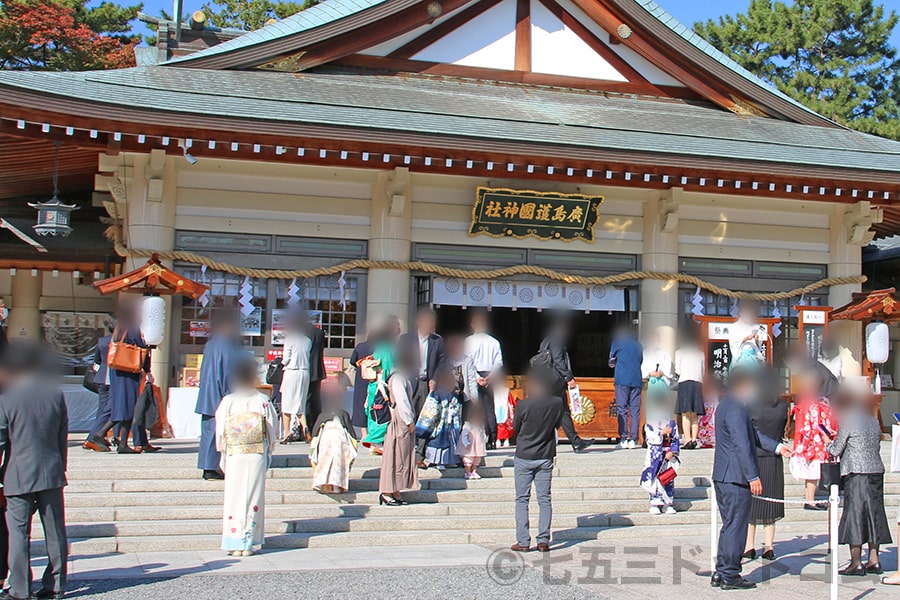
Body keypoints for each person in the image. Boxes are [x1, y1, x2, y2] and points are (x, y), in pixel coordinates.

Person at [711, 367, 791, 590]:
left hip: (725, 474)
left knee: (730, 525)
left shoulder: (728, 404)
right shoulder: (735, 407)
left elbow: (753, 435)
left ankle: (722, 570)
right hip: (735, 476)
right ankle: (730, 575)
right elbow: (742, 444)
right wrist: (753, 476)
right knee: (736, 526)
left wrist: (777, 447)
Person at [0, 343, 68, 600]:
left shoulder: (7, 398)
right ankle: (56, 585)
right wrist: (60, 467)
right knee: (55, 531)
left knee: (18, 533)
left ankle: (20, 588)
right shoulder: (56, 394)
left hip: (18, 473)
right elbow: (62, 438)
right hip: (51, 471)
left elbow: (1, 442)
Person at [824, 390, 892, 576]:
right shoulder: (872, 420)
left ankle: (856, 562)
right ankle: (874, 559)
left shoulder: (847, 420)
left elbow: (836, 450)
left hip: (856, 472)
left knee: (855, 514)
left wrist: (827, 443)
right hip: (875, 470)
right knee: (874, 514)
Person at [215, 358, 278, 557]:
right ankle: (248, 541)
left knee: (234, 497)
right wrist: (269, 448)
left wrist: (222, 449)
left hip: (235, 452)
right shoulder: (262, 400)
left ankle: (234, 541)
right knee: (252, 495)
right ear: (254, 376)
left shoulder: (228, 401)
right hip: (256, 451)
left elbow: (220, 431)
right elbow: (272, 428)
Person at [510, 372, 565, 553]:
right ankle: (543, 540)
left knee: (522, 499)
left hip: (525, 454)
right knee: (544, 499)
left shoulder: (523, 405)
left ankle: (523, 541)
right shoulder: (556, 403)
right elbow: (557, 425)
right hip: (545, 454)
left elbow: (516, 428)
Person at [100, 304, 152, 455]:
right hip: (128, 370)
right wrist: (147, 370)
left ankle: (109, 437)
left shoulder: (119, 328)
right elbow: (141, 348)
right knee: (128, 406)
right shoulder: (132, 328)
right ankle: (109, 437)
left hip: (118, 370)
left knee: (122, 406)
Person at [743, 391, 789, 561]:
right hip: (775, 455)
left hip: (755, 456)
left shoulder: (751, 406)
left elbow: (748, 431)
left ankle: (749, 545)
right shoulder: (783, 406)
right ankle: (769, 546)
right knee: (771, 500)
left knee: (753, 502)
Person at [538, 315, 593, 453]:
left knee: (561, 412)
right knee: (557, 411)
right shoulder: (556, 339)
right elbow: (558, 360)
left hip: (549, 380)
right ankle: (541, 440)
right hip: (555, 380)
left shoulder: (548, 339)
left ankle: (575, 441)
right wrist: (568, 377)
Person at [195, 311, 239, 480]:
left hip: (208, 392)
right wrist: (230, 394)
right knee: (216, 431)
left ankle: (207, 465)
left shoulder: (211, 344)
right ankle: (212, 466)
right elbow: (227, 374)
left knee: (208, 431)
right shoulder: (226, 346)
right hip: (219, 395)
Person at [400, 308, 446, 463]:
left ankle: (419, 455)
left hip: (427, 383)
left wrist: (435, 378)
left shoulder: (437, 341)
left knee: (425, 418)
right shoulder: (406, 339)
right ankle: (406, 451)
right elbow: (399, 360)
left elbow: (442, 362)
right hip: (409, 382)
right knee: (408, 416)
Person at [788, 366, 836, 511]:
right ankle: (810, 500)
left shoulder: (811, 400)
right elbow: (808, 423)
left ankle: (811, 499)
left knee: (813, 473)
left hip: (814, 439)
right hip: (811, 440)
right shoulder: (808, 401)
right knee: (812, 473)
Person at [378, 342, 418, 506]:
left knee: (400, 456)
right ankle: (387, 491)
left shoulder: (396, 376)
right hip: (399, 420)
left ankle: (395, 490)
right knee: (395, 456)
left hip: (399, 418)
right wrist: (409, 421)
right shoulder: (398, 378)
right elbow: (402, 401)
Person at [361, 315, 401, 452]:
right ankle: (376, 441)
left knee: (375, 412)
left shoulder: (380, 348)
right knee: (381, 413)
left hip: (375, 385)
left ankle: (375, 442)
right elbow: (388, 370)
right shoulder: (386, 349)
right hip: (381, 385)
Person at [310, 382, 358, 494]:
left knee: (324, 462)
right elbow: (351, 432)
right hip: (340, 439)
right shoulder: (343, 414)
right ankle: (337, 486)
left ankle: (323, 484)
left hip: (325, 439)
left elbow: (315, 431)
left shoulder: (322, 415)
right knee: (338, 464)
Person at [465, 310, 503, 449]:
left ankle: (475, 438)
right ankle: (492, 439)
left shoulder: (468, 341)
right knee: (489, 408)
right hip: (488, 375)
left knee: (474, 407)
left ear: (473, 325)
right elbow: (498, 361)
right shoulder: (494, 342)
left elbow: (467, 361)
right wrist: (490, 377)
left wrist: (476, 378)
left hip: (475, 374)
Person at [640, 390, 680, 515]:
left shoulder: (671, 423)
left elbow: (676, 438)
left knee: (667, 478)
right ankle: (655, 503)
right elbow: (650, 438)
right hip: (655, 453)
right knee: (655, 479)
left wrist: (672, 452)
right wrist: (661, 433)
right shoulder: (650, 422)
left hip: (668, 454)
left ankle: (668, 503)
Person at [279, 311, 312, 444]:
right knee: (300, 403)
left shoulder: (289, 339)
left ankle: (287, 432)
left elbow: (286, 359)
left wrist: (281, 363)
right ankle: (305, 427)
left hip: (292, 371)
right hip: (304, 372)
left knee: (286, 404)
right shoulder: (307, 340)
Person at [420, 367, 462, 469]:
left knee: (451, 443)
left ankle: (450, 460)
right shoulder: (437, 394)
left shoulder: (454, 395)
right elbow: (431, 408)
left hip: (451, 424)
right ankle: (438, 461)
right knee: (438, 442)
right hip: (439, 423)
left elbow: (457, 409)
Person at [609, 324, 643, 450]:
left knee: (622, 409)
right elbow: (640, 360)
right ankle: (633, 439)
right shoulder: (638, 345)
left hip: (622, 379)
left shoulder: (617, 343)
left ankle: (623, 438)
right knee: (635, 410)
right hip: (636, 379)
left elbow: (611, 361)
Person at [673, 328, 705, 449]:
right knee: (695, 414)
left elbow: (678, 370)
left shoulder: (679, 352)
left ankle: (687, 439)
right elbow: (702, 372)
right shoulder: (700, 353)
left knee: (685, 413)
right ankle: (694, 439)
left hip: (685, 382)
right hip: (697, 383)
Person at [83, 331, 113, 452]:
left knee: (102, 410)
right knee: (112, 410)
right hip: (115, 379)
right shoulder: (122, 341)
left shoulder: (102, 341)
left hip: (102, 378)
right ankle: (93, 438)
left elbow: (97, 360)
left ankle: (98, 437)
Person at [349, 329, 375, 438]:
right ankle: (372, 432)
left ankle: (364, 434)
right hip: (374, 379)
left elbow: (352, 361)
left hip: (361, 379)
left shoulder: (360, 346)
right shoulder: (380, 348)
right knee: (373, 404)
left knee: (361, 405)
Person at [305, 318, 327, 437]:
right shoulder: (319, 333)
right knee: (316, 399)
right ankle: (317, 425)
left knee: (305, 400)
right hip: (317, 369)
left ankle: (307, 426)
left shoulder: (302, 334)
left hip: (306, 369)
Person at [445, 334, 479, 412]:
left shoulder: (468, 360)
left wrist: (475, 398)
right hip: (448, 397)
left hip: (464, 396)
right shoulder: (446, 361)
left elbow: (472, 380)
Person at [728, 300, 765, 368]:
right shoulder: (735, 326)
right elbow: (733, 342)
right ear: (740, 313)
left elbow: (758, 345)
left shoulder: (755, 326)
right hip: (741, 355)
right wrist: (745, 339)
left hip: (752, 355)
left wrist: (757, 339)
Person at [459, 402, 488, 480]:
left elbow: (483, 433)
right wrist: (466, 442)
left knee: (476, 459)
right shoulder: (468, 425)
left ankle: (474, 471)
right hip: (470, 446)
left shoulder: (480, 425)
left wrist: (484, 439)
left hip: (478, 445)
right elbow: (464, 435)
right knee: (468, 459)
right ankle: (467, 472)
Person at [494, 374, 517, 448]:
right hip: (502, 408)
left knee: (502, 425)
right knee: (502, 425)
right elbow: (512, 402)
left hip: (500, 408)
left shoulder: (498, 390)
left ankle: (502, 440)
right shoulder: (504, 390)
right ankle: (501, 440)